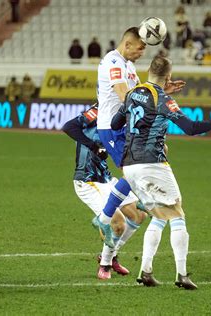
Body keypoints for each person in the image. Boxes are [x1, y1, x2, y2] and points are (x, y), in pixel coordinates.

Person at [110, 55, 211, 289]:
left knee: (159, 216)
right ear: (168, 76)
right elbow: (191, 128)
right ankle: (182, 274)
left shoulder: (132, 93)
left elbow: (116, 124)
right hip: (152, 164)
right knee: (177, 214)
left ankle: (145, 271)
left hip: (130, 166)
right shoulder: (164, 100)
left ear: (148, 71)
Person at [93, 27, 185, 248]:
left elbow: (140, 95)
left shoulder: (129, 66)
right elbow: (125, 95)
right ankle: (104, 217)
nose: (142, 52)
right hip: (111, 127)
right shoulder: (113, 63)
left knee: (155, 156)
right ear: (127, 45)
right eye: (140, 48)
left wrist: (161, 90)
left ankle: (110, 227)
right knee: (135, 168)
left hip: (126, 126)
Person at [62, 105, 145, 280]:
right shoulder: (98, 111)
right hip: (87, 181)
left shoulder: (123, 113)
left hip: (106, 179)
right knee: (118, 222)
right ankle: (105, 264)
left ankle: (110, 255)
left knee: (138, 215)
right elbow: (69, 127)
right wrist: (93, 146)